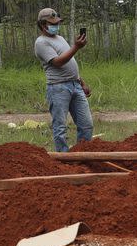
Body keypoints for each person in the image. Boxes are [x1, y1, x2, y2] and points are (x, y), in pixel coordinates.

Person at [34, 8, 93, 153]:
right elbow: (58, 62)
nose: (56, 25)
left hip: (75, 85)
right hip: (58, 88)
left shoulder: (59, 38)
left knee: (86, 124)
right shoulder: (41, 42)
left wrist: (81, 82)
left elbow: (70, 62)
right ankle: (63, 157)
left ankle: (82, 154)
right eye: (52, 23)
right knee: (60, 126)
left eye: (57, 22)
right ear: (42, 25)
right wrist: (76, 47)